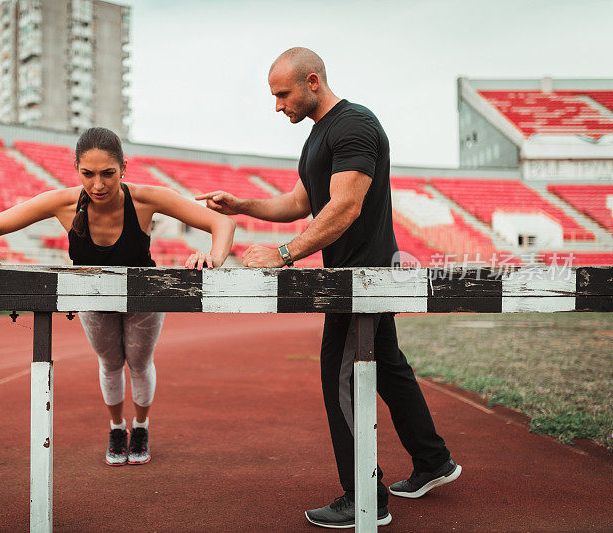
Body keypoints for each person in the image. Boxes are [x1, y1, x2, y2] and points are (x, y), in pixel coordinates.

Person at [196, 48, 460, 528]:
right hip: (356, 278)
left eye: (282, 93)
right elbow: (302, 202)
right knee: (389, 369)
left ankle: (365, 497)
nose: (277, 105)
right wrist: (242, 205)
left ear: (312, 81)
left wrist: (282, 255)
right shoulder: (319, 135)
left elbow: (345, 207)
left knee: (339, 380)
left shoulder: (353, 124)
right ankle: (433, 461)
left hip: (361, 281)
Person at [0, 127, 235, 466]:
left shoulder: (146, 198)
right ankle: (115, 427)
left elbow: (222, 225)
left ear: (124, 167)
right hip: (92, 301)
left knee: (138, 364)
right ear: (75, 168)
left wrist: (212, 258)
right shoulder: (62, 202)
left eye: (108, 173)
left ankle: (140, 426)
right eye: (88, 174)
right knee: (110, 364)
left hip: (143, 299)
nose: (98, 185)